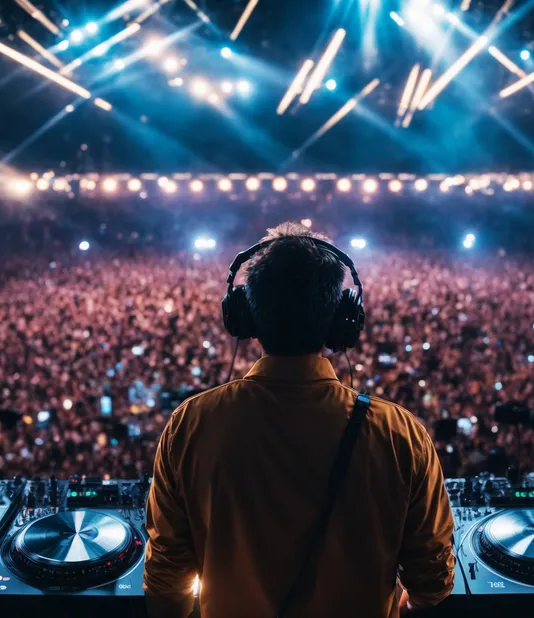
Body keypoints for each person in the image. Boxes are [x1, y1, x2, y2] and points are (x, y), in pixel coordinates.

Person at [143, 222, 455, 618]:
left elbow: (165, 581)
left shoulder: (191, 425)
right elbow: (432, 582)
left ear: (244, 318)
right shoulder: (400, 434)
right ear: (343, 320)